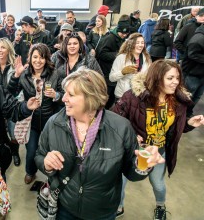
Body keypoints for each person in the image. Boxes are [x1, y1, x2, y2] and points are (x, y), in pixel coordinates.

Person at [35, 69, 165, 220]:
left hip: (102, 211)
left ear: (91, 98)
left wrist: (143, 165)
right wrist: (46, 163)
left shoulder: (120, 128)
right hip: (65, 208)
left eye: (70, 94)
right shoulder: (54, 123)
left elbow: (131, 173)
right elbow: (39, 155)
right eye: (65, 93)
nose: (63, 98)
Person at [112, 60, 204, 219]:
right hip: (133, 151)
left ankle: (160, 206)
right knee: (120, 182)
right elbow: (113, 120)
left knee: (158, 184)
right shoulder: (133, 96)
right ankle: (119, 207)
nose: (176, 82)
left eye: (177, 78)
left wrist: (189, 123)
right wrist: (131, 136)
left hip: (159, 152)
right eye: (170, 78)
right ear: (157, 78)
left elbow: (175, 129)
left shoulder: (178, 101)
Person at [7, 43, 63, 184]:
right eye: (35, 57)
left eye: (42, 57)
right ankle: (30, 172)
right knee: (31, 151)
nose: (38, 61)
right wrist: (16, 75)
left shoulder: (55, 73)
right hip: (30, 121)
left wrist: (56, 95)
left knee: (53, 151)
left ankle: (55, 176)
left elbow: (65, 95)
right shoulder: (24, 75)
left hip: (50, 120)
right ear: (30, 57)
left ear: (47, 59)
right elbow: (10, 93)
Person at [0, 38, 20, 166]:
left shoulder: (15, 67)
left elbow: (17, 89)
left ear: (9, 49)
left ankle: (15, 153)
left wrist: (17, 76)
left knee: (13, 134)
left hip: (11, 105)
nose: (0, 50)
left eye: (3, 47)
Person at [97, 20, 130, 109]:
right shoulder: (110, 38)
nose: (124, 35)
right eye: (122, 33)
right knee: (106, 96)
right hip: (107, 72)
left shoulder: (121, 39)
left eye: (126, 33)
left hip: (115, 71)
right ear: (118, 30)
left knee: (111, 98)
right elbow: (101, 54)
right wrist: (118, 55)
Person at [109, 33, 151, 101]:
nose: (140, 45)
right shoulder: (121, 58)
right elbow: (111, 78)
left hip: (140, 95)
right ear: (131, 43)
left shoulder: (146, 58)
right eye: (137, 43)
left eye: (142, 43)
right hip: (122, 95)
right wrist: (123, 72)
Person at [182, 25, 204, 110]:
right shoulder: (198, 38)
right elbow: (192, 54)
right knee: (187, 97)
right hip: (192, 74)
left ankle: (188, 114)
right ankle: (182, 116)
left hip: (200, 74)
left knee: (196, 97)